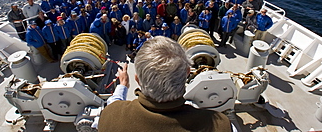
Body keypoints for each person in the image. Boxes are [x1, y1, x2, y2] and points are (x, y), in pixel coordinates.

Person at [98, 36, 233, 132]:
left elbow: (113, 104)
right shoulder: (221, 125)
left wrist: (122, 86)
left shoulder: (110, 116)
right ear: (187, 73)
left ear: (137, 80)